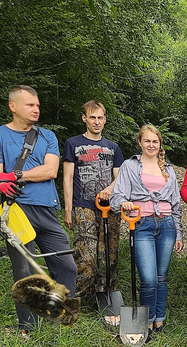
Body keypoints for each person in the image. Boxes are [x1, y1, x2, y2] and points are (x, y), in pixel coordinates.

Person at [0, 84, 77, 336]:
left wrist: (13, 174)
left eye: (37, 105)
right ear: (13, 107)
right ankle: (28, 328)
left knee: (66, 265)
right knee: (24, 271)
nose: (36, 109)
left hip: (47, 209)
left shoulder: (47, 136)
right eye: (30, 105)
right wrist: (1, 184)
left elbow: (51, 170)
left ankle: (57, 318)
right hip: (15, 211)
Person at [109, 124, 184, 333]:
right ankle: (147, 320)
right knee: (148, 278)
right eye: (147, 141)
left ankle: (159, 319)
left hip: (167, 225)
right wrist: (124, 202)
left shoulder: (167, 170)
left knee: (161, 276)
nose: (151, 145)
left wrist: (178, 232)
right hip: (142, 225)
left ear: (160, 144)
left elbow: (176, 205)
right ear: (140, 143)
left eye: (155, 141)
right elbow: (116, 198)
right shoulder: (129, 166)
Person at [62, 100, 124, 324]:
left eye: (100, 118)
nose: (97, 122)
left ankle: (106, 299)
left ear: (105, 120)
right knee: (85, 257)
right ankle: (71, 300)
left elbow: (120, 178)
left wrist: (109, 189)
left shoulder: (113, 147)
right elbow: (67, 177)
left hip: (110, 208)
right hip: (84, 206)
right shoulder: (73, 143)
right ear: (84, 119)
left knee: (109, 255)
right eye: (92, 117)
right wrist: (68, 209)